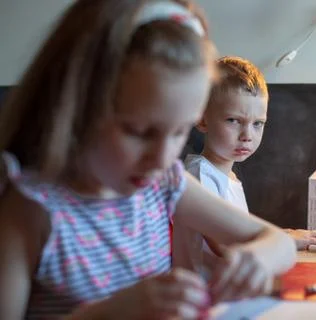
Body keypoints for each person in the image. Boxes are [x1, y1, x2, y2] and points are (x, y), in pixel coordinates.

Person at [0, 1, 297, 319]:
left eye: (180, 131)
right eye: (140, 132)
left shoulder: (164, 183)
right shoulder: (31, 209)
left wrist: (256, 258)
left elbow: (279, 243)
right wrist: (107, 313)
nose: (162, 158)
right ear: (79, 106)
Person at [173, 56, 316, 271]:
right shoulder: (200, 175)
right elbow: (227, 247)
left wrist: (278, 236)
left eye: (258, 124)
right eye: (234, 120)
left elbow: (239, 233)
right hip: (204, 296)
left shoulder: (229, 178)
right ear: (203, 120)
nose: (247, 135)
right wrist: (282, 241)